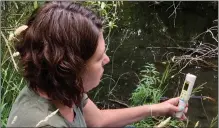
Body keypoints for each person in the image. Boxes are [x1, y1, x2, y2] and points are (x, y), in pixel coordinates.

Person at [7, 1, 188, 127]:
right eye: (99, 56)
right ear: (71, 66)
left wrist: (159, 109)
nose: (107, 59)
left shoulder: (62, 87)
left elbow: (98, 120)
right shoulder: (45, 124)